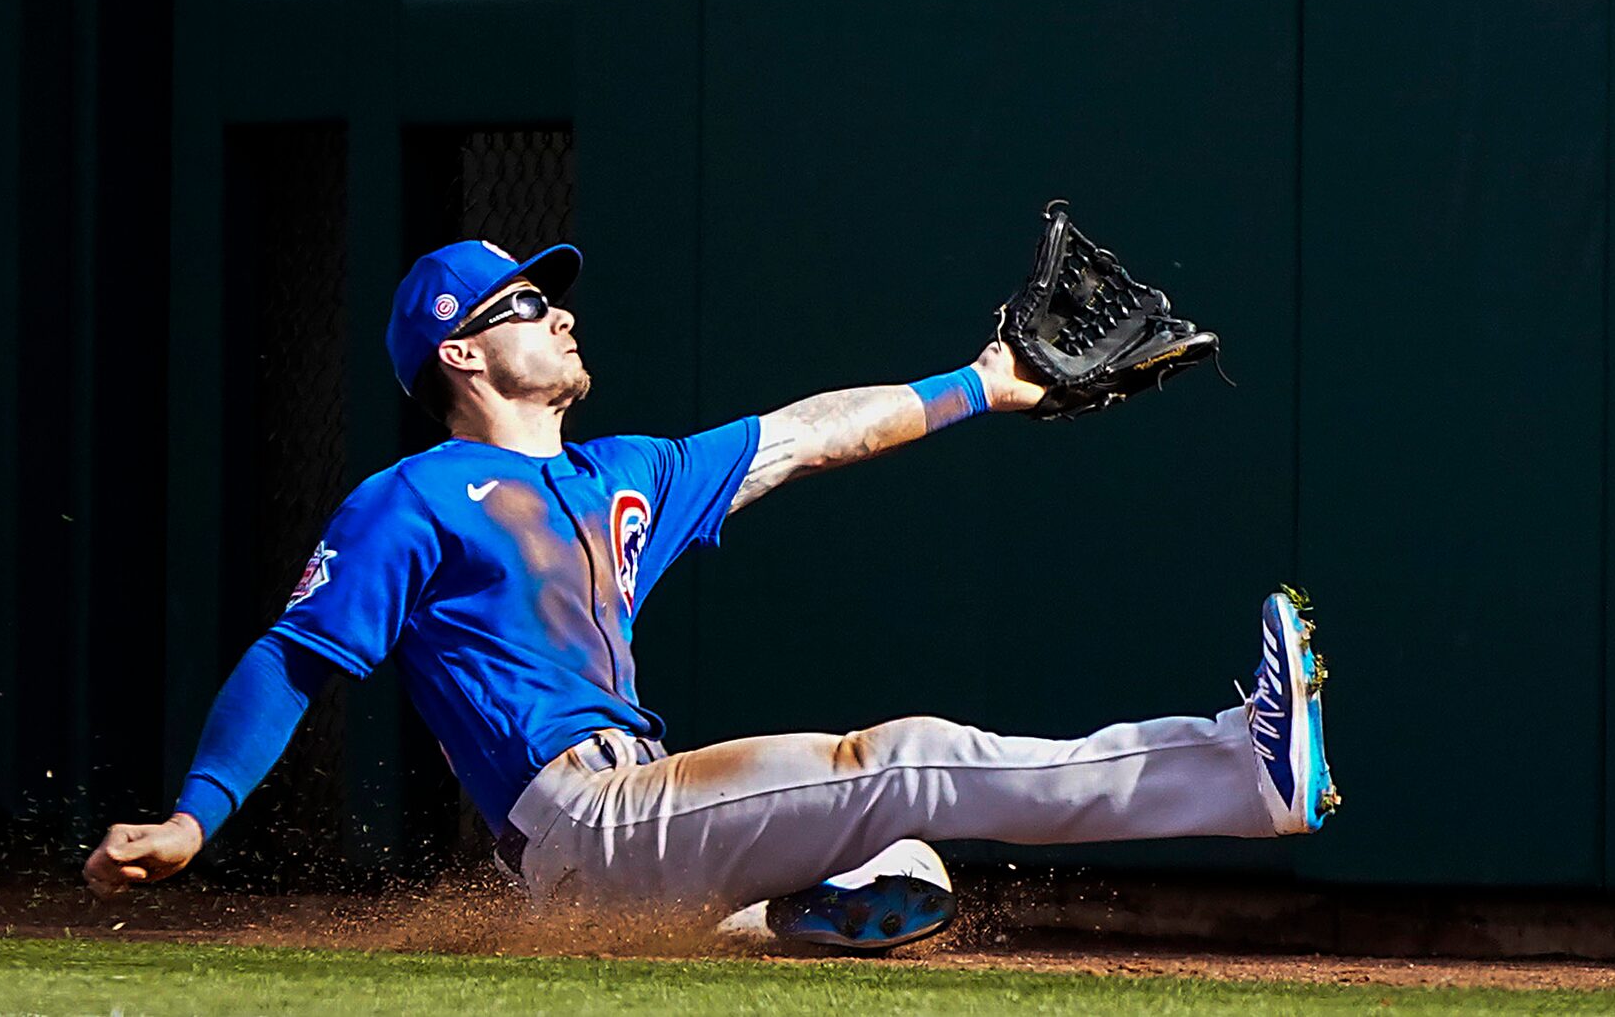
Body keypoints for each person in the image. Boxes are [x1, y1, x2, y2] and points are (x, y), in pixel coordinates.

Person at [84, 237, 1336, 948]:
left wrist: (981, 384)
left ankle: (762, 920)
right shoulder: (410, 499)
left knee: (900, 860)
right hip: (582, 814)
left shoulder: (621, 474)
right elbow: (295, 656)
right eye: (526, 301)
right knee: (897, 761)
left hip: (625, 835)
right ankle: (1238, 770)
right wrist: (197, 817)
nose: (559, 309)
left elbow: (804, 435)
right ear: (460, 351)